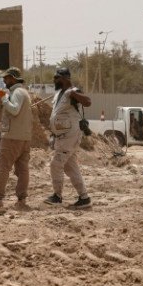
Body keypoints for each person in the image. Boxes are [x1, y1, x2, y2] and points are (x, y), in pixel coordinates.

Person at [43, 68, 93, 209]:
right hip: (61, 136)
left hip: (70, 135)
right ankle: (84, 198)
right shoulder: (59, 93)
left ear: (64, 79)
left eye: (56, 78)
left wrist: (73, 93)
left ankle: (57, 196)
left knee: (56, 164)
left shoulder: (73, 92)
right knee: (71, 167)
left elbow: (88, 102)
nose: (54, 81)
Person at [0, 67, 32, 210]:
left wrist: (4, 97)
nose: (4, 81)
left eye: (6, 78)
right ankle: (21, 199)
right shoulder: (24, 92)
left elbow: (14, 110)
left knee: (3, 167)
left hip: (12, 137)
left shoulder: (17, 93)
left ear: (12, 78)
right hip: (24, 137)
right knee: (22, 169)